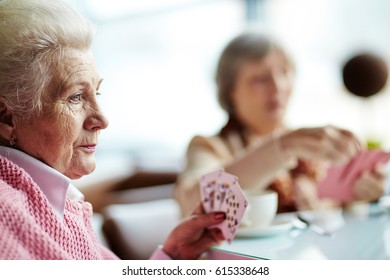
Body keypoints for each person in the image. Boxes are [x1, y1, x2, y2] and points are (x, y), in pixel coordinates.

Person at [0, 0, 225, 260]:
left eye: (97, 92)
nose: (102, 119)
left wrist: (172, 258)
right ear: (6, 117)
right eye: (75, 97)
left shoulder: (57, 199)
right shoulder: (7, 213)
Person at [174, 32, 386, 217]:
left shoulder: (308, 149)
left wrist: (355, 197)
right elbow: (195, 204)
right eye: (261, 78)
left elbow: (330, 214)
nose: (278, 86)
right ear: (230, 91)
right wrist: (282, 146)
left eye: (285, 73)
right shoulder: (209, 146)